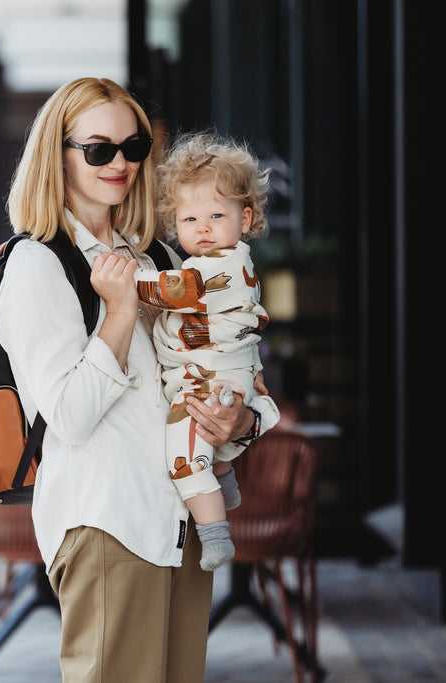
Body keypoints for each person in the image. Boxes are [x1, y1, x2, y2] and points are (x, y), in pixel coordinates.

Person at [0, 77, 279, 682]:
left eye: (134, 147)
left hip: (180, 528)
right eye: (99, 149)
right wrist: (121, 313)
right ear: (59, 154)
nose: (120, 162)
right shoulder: (37, 265)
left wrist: (244, 422)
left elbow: (233, 367)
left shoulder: (163, 259)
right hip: (109, 527)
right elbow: (69, 416)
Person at [134, 131, 275, 572]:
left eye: (217, 214)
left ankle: (215, 536)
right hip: (216, 371)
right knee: (207, 440)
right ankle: (224, 476)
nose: (204, 228)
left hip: (211, 377)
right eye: (190, 220)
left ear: (246, 218)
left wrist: (129, 286)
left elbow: (178, 292)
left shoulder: (224, 266)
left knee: (183, 451)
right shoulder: (207, 261)